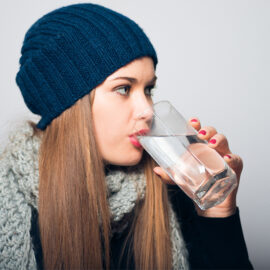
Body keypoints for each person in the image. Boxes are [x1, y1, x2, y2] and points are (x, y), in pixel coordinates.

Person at [0, 3, 253, 270]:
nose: (147, 110)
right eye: (123, 88)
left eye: (148, 89)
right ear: (69, 106)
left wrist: (217, 213)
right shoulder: (9, 206)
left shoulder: (175, 189)